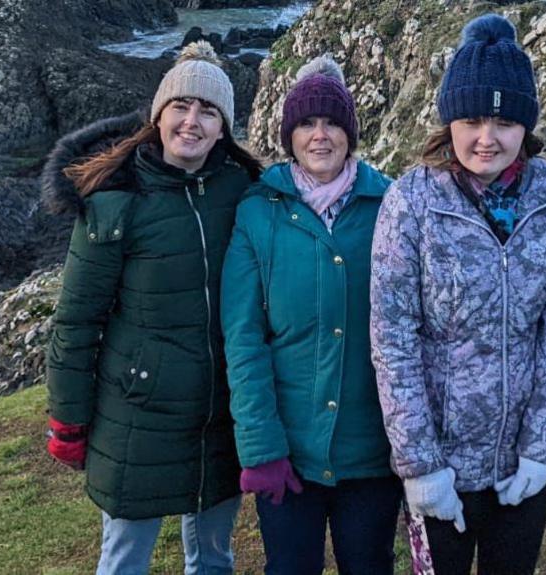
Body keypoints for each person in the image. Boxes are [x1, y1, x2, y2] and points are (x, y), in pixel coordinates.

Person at [369, 14, 546, 575]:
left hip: (521, 465)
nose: (486, 138)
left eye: (504, 120)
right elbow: (392, 339)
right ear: (449, 122)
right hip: (440, 465)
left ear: (526, 126)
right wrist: (421, 466)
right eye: (471, 119)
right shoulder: (410, 202)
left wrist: (543, 448)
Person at [40, 41, 262, 575]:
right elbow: (75, 322)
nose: (192, 121)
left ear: (223, 127)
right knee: (124, 561)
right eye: (181, 107)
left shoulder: (243, 190)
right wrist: (67, 421)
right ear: (158, 116)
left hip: (219, 410)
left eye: (209, 111)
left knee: (212, 559)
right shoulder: (115, 201)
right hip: (136, 414)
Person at [220, 55, 401, 575]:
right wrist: (260, 448)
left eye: (332, 123)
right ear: (288, 134)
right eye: (306, 123)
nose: (320, 136)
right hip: (288, 453)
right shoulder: (258, 211)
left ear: (350, 133)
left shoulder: (391, 204)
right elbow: (243, 336)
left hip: (371, 453)